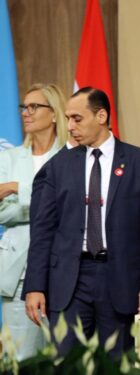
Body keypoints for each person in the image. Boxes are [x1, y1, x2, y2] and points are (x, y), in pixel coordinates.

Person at [23, 87, 140, 357]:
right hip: (69, 281)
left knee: (115, 364)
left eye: (77, 118)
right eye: (67, 118)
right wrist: (34, 286)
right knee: (66, 364)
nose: (70, 126)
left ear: (101, 116)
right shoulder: (57, 166)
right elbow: (42, 231)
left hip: (120, 280)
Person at [0, 83, 69, 359]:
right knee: (20, 359)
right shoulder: (8, 158)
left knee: (63, 359)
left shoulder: (69, 158)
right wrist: (44, 203)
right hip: (17, 275)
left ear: (54, 114)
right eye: (23, 107)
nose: (25, 113)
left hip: (63, 272)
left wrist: (17, 187)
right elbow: (3, 213)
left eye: (33, 106)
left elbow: (70, 210)